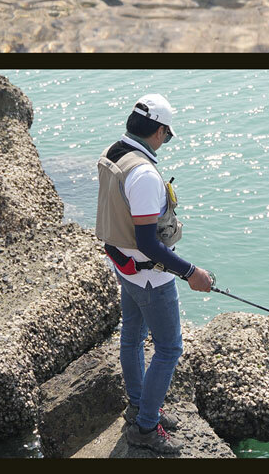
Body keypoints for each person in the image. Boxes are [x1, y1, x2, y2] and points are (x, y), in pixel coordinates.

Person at [95, 93, 214, 455]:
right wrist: (192, 273)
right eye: (168, 133)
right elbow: (149, 242)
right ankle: (146, 426)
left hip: (123, 266)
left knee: (131, 335)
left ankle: (138, 405)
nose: (166, 139)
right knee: (169, 348)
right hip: (149, 276)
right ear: (160, 130)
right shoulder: (145, 174)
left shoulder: (114, 152)